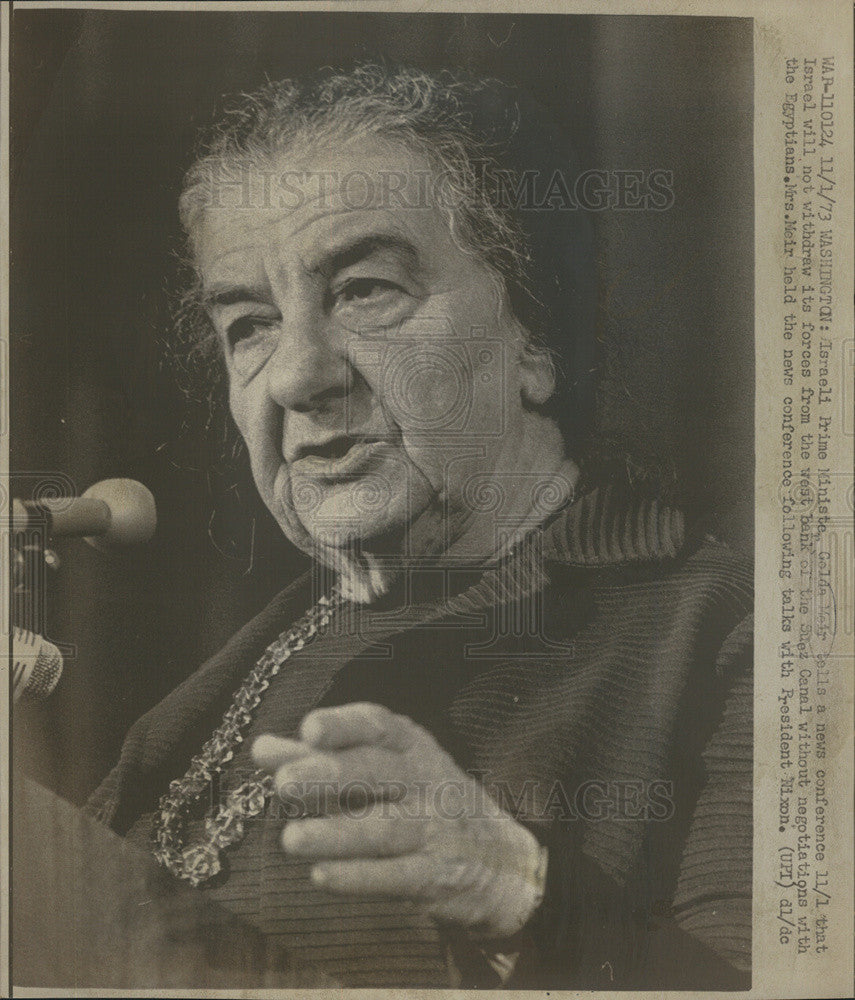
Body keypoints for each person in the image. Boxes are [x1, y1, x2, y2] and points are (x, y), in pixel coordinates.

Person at [87, 63, 753, 989]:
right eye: (250, 325)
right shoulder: (212, 685)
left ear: (537, 339)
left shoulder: (728, 629)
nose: (297, 376)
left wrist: (519, 896)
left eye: (363, 290)